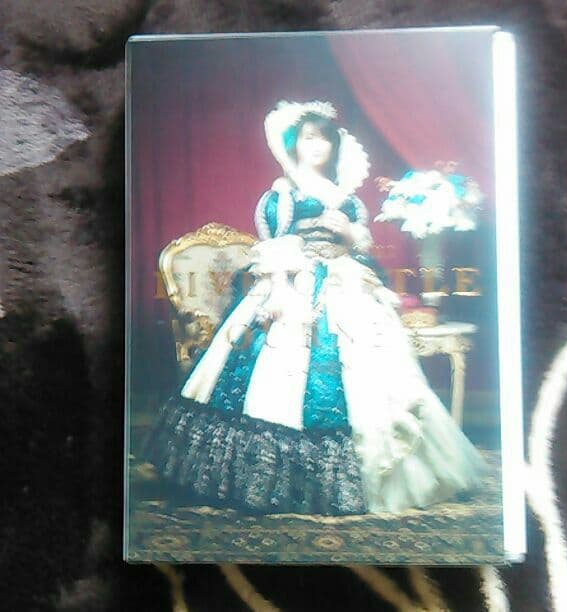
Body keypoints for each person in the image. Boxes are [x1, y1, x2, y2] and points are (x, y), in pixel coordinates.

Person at [145, 100, 486, 516]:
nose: (317, 146)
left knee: (374, 368)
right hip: (292, 281)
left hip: (345, 282)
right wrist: (281, 292)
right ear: (296, 144)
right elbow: (271, 246)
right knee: (277, 369)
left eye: (324, 139)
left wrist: (349, 234)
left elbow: (357, 248)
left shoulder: (348, 200)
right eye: (309, 138)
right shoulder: (284, 194)